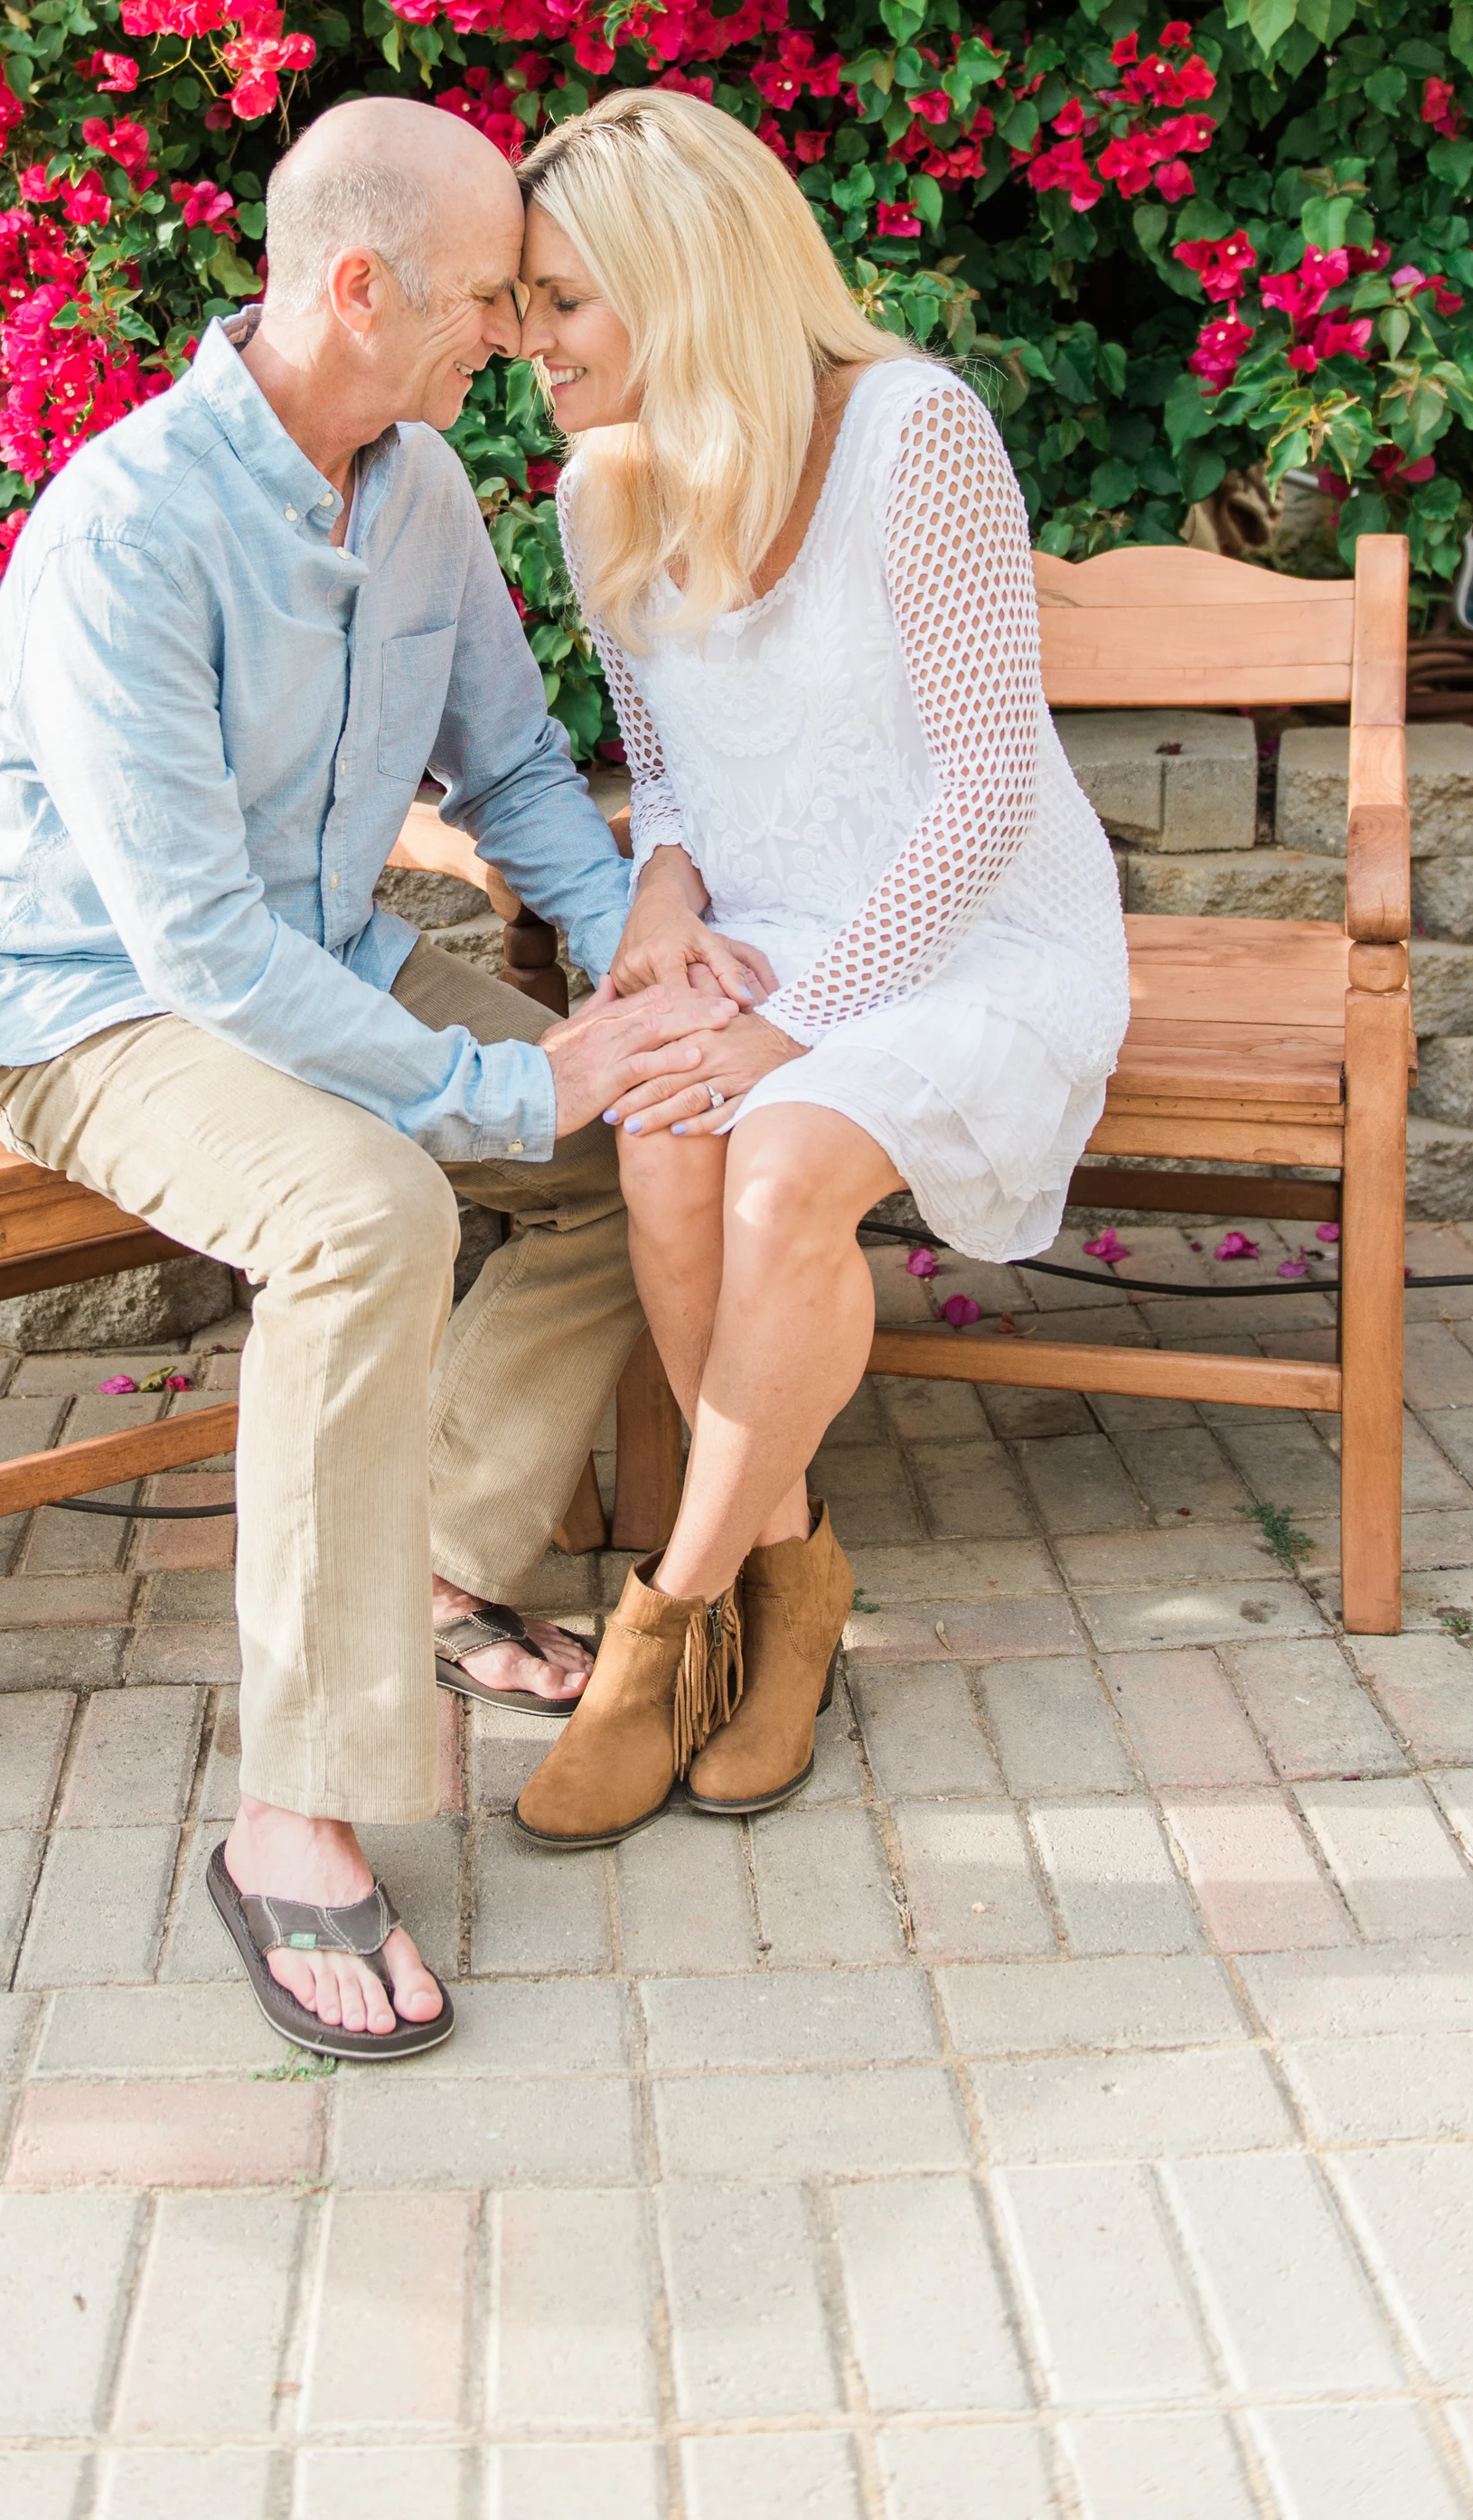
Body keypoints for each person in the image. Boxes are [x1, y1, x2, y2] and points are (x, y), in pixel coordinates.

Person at [0, 97, 730, 2056]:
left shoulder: (422, 483)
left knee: (665, 1128)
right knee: (370, 1207)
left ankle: (435, 1558)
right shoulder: (129, 525)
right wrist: (509, 1086)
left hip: (317, 968)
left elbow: (518, 773)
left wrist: (637, 947)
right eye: (478, 300)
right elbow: (193, 946)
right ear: (354, 286)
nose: (509, 335)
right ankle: (292, 1813)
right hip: (88, 1010)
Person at [507, 89, 1130, 1847]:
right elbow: (676, 785)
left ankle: (664, 1619)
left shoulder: (909, 435)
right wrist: (659, 908)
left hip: (972, 932)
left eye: (561, 299)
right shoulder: (596, 493)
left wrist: (784, 1028)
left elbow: (985, 785)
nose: (527, 344)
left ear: (677, 279)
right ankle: (793, 1577)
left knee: (773, 1169)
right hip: (765, 926)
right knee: (659, 1136)